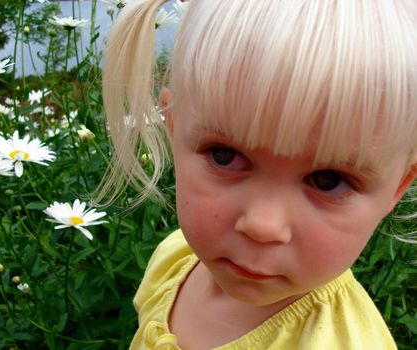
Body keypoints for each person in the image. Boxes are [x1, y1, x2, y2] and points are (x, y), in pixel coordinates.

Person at [99, 0, 417, 349]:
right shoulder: (174, 259)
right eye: (225, 156)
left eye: (329, 180)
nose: (262, 225)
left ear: (397, 188)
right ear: (172, 129)